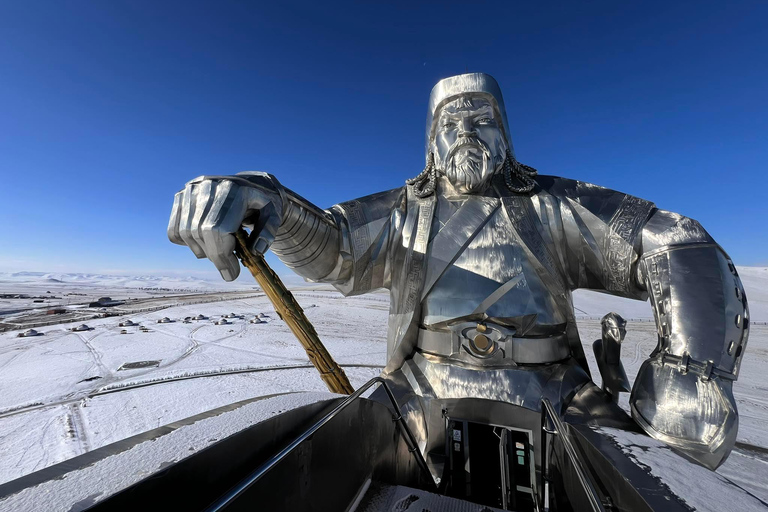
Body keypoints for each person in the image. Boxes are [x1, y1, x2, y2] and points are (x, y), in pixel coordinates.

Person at [168, 73, 749, 469]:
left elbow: (675, 240)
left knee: (646, 479)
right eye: (452, 120)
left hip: (559, 393)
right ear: (431, 139)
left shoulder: (551, 206)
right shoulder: (402, 212)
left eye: (483, 117)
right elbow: (334, 248)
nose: (467, 129)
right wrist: (264, 198)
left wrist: (692, 370)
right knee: (324, 461)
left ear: (506, 133)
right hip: (419, 389)